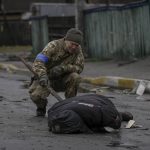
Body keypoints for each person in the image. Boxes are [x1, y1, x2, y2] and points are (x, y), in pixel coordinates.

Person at [29, 28, 84, 117]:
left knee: (76, 77)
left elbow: (79, 67)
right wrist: (43, 75)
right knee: (35, 96)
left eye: (76, 45)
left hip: (62, 80)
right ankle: (41, 107)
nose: (74, 47)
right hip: (46, 79)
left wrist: (64, 68)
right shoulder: (53, 46)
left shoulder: (78, 50)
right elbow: (38, 62)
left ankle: (69, 106)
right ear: (66, 40)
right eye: (72, 44)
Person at [48, 94, 133, 134]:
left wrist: (92, 130)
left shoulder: (105, 115)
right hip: (92, 101)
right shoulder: (54, 111)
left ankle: (121, 115)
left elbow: (115, 122)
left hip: (98, 103)